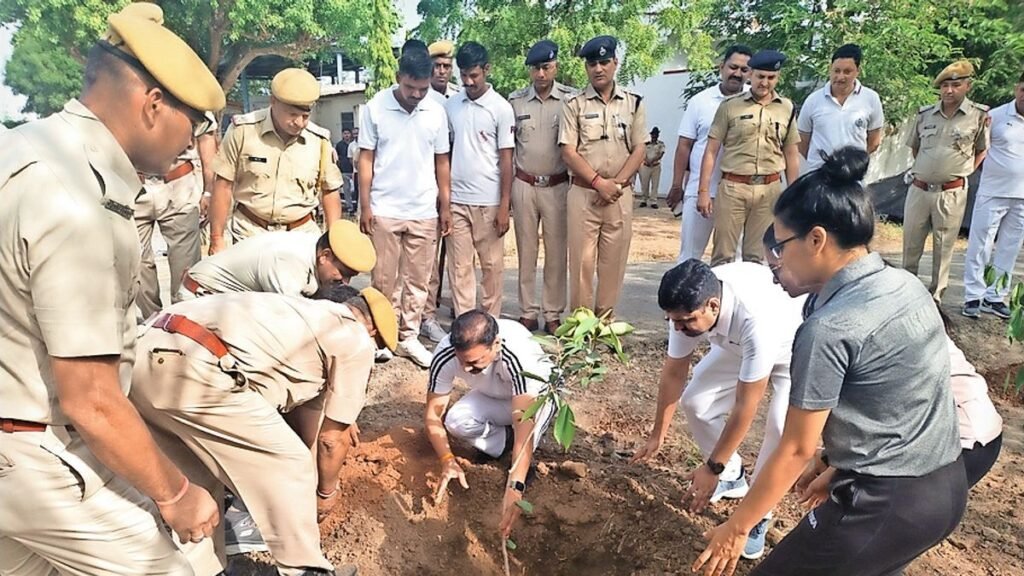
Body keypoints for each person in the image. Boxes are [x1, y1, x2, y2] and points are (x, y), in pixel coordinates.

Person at [0, 4, 225, 573]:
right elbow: (92, 399)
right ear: (153, 105)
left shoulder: (24, 147)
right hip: (31, 449)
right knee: (184, 567)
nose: (193, 145)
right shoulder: (81, 202)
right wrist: (176, 495)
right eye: (195, 124)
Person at [694, 147, 967, 576]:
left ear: (817, 239)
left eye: (781, 248)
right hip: (945, 486)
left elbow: (797, 446)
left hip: (885, 501)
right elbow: (897, 400)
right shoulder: (904, 285)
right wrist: (838, 464)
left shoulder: (831, 327)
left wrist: (737, 526)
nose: (776, 265)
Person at [130, 284, 396, 575]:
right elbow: (331, 440)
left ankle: (203, 569)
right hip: (195, 367)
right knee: (290, 464)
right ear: (373, 333)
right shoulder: (355, 339)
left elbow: (308, 429)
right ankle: (306, 571)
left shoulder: (309, 317)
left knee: (198, 486)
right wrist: (325, 492)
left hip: (142, 358)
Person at [633, 259, 805, 560]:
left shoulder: (755, 321)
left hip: (794, 350)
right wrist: (657, 435)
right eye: (672, 321)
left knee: (780, 429)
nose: (678, 328)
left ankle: (757, 516)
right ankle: (734, 475)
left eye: (685, 321)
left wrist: (712, 467)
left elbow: (746, 406)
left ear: (713, 305)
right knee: (697, 401)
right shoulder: (685, 305)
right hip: (737, 346)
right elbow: (674, 373)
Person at [358, 41, 452, 368]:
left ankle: (409, 337)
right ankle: (383, 338)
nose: (416, 95)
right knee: (383, 280)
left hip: (424, 210)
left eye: (422, 89)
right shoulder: (375, 108)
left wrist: (446, 206)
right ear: (399, 77)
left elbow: (442, 162)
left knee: (418, 280)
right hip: (385, 208)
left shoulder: (437, 111)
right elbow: (365, 159)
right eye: (410, 87)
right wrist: (365, 205)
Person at [425, 310, 555, 537]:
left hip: (536, 396)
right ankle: (504, 442)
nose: (465, 369)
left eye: (474, 363)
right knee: (456, 421)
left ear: (496, 344)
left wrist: (515, 488)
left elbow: (524, 426)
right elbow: (433, 416)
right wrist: (447, 459)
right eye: (462, 361)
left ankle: (519, 461)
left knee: (526, 440)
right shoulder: (445, 353)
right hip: (494, 395)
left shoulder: (518, 356)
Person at [208, 68, 344, 253]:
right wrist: (217, 239)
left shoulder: (319, 141)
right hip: (250, 232)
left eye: (305, 116)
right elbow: (223, 185)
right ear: (273, 101)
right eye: (292, 115)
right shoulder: (243, 131)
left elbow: (330, 192)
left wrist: (333, 242)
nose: (299, 123)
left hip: (300, 235)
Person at [560, 35, 648, 317]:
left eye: (604, 62)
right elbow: (568, 152)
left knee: (614, 262)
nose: (598, 69)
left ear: (615, 63)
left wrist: (616, 185)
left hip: (619, 196)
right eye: (592, 64)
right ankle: (580, 326)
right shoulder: (574, 104)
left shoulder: (633, 103)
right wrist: (599, 184)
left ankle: (605, 322)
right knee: (582, 264)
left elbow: (639, 150)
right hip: (584, 194)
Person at [697, 49, 801, 267]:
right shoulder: (730, 106)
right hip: (734, 187)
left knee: (757, 257)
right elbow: (711, 151)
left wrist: (794, 195)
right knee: (723, 256)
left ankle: (748, 302)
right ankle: (721, 300)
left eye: (770, 78)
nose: (765, 82)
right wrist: (704, 192)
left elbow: (791, 153)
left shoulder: (787, 108)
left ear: (777, 78)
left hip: (769, 189)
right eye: (760, 76)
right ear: (750, 75)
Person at [902, 60, 990, 302]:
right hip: (919, 190)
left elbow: (982, 149)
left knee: (943, 247)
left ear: (967, 86)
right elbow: (916, 149)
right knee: (911, 243)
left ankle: (935, 297)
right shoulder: (924, 114)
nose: (949, 90)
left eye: (956, 85)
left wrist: (963, 172)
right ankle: (906, 293)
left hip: (951, 193)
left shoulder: (978, 116)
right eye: (945, 86)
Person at [509, 39, 577, 335]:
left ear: (555, 67)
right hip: (524, 184)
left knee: (556, 251)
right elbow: (508, 147)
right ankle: (527, 312)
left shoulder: (571, 100)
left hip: (558, 185)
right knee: (526, 250)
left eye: (546, 67)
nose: (540, 74)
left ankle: (551, 313)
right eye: (535, 68)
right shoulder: (515, 101)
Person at [444, 41, 515, 318]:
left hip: (489, 201)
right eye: (463, 75)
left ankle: (489, 322)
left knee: (491, 267)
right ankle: (464, 322)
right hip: (457, 201)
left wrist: (503, 205)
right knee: (460, 268)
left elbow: (507, 159)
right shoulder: (451, 106)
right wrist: (445, 201)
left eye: (474, 75)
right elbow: (445, 154)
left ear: (487, 70)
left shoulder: (500, 108)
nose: (468, 81)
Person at [667, 45, 752, 263]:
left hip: (738, 193)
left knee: (734, 259)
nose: (738, 74)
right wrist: (677, 186)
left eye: (744, 70)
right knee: (689, 256)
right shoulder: (700, 101)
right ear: (722, 67)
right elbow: (684, 145)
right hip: (700, 191)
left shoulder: (755, 103)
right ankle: (682, 298)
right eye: (733, 67)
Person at [136, 112, 219, 320]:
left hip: (178, 183)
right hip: (135, 184)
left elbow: (206, 139)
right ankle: (153, 323)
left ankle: (183, 325)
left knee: (186, 268)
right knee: (137, 268)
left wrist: (209, 191)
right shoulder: (126, 88)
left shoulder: (186, 89)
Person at [179, 220, 375, 299]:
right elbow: (292, 320)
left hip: (231, 301)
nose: (345, 281)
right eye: (344, 273)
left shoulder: (312, 249)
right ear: (325, 256)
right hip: (204, 295)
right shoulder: (288, 261)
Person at [962, 72, 1024, 319]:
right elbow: (978, 148)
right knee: (981, 244)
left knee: (1009, 247)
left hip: (1022, 198)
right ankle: (973, 296)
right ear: (1016, 88)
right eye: (1023, 90)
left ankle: (995, 296)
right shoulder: (994, 116)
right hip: (993, 192)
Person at [420, 39, 460, 342]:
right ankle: (426, 312)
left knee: (456, 256)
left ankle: (452, 307)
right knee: (428, 258)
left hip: (458, 188)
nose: (443, 71)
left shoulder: (458, 98)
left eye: (447, 66)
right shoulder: (422, 99)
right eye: (438, 66)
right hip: (428, 188)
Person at [796, 44, 884, 172]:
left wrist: (854, 163)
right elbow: (802, 142)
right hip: (819, 177)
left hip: (852, 178)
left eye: (847, 72)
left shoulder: (871, 99)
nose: (840, 77)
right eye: (836, 71)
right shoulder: (813, 101)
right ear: (830, 69)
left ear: (857, 71)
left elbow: (874, 142)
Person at [638, 127, 666, 208]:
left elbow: (661, 154)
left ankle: (653, 201)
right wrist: (646, 160)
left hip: (655, 166)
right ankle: (644, 200)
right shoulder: (646, 144)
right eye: (653, 134)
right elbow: (642, 153)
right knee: (644, 184)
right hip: (646, 166)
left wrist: (653, 160)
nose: (654, 136)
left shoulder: (661, 144)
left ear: (658, 135)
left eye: (656, 135)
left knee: (655, 184)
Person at [335, 128, 354, 214]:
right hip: (344, 170)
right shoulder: (339, 145)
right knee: (346, 189)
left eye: (348, 133)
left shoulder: (355, 144)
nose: (346, 135)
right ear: (342, 135)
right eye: (345, 133)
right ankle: (349, 206)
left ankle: (356, 205)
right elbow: (337, 158)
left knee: (357, 189)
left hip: (354, 169)